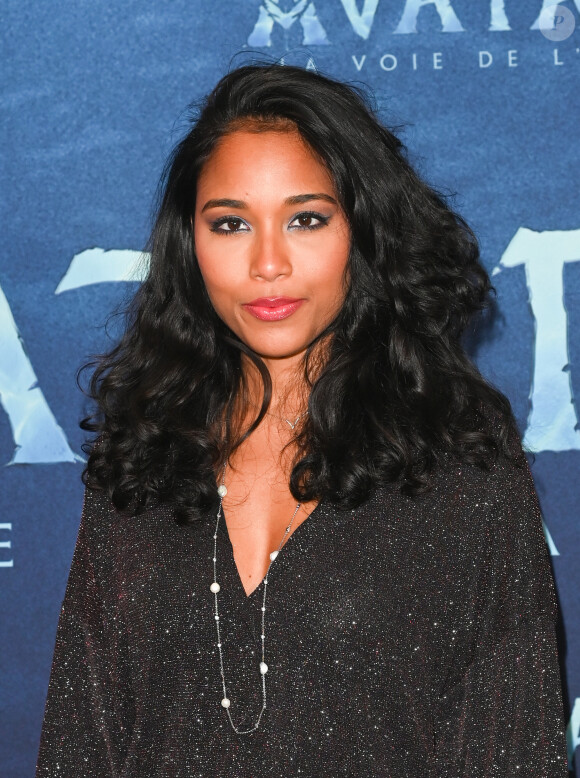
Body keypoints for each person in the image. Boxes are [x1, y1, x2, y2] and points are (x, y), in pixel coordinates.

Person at [36, 64, 567, 776]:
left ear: (364, 232)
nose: (268, 263)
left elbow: (515, 748)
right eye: (230, 224)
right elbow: (82, 739)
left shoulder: (458, 462)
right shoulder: (146, 452)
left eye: (306, 219)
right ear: (189, 245)